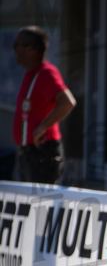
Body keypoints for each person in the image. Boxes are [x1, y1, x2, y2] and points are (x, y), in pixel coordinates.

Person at [12, 26, 76, 184]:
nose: (14, 50)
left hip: (42, 154)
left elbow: (68, 102)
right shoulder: (31, 74)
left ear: (30, 49)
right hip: (29, 155)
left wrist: (42, 128)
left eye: (17, 45)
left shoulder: (46, 73)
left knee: (39, 206)